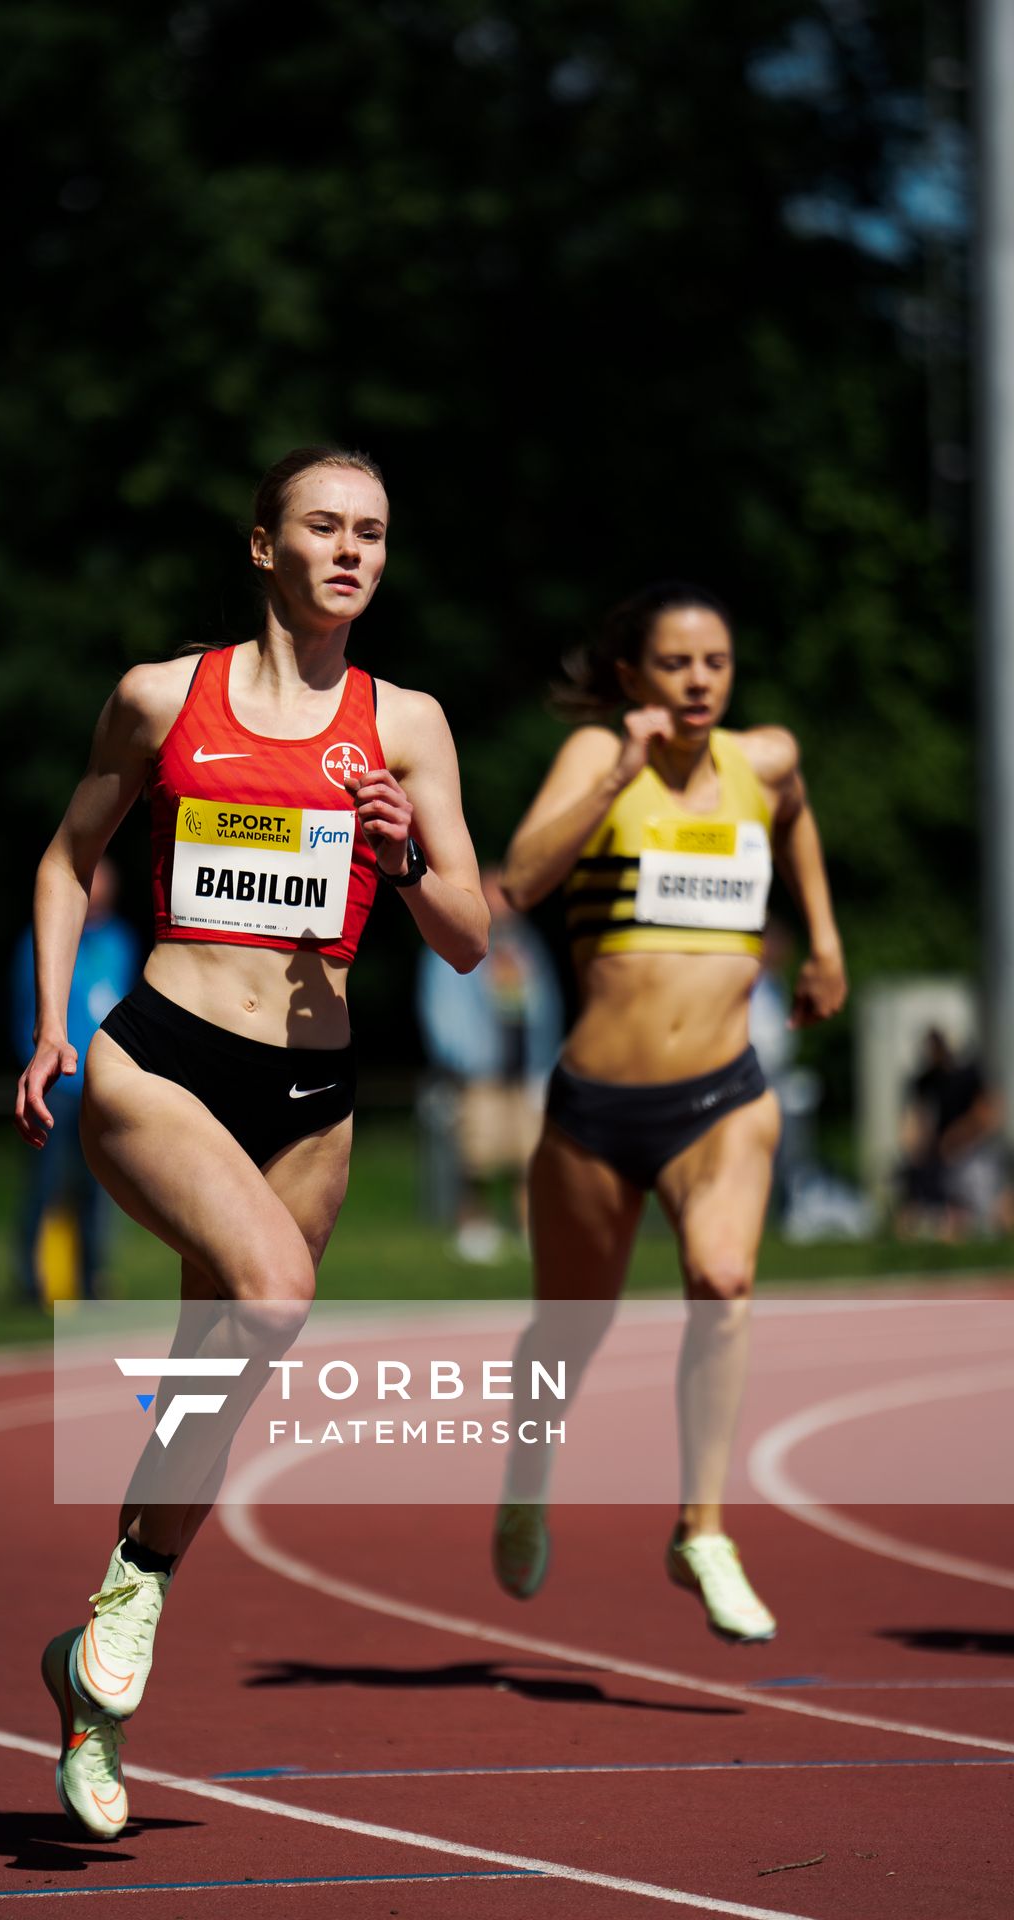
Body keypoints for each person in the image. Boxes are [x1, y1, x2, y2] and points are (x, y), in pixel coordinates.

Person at [14, 446, 487, 1838]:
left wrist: (403, 859)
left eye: (375, 534)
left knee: (212, 1394)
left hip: (311, 1100)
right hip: (158, 1059)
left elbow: (470, 942)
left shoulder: (410, 726)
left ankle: (95, 1685)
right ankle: (133, 1601)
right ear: (264, 545)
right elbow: (64, 857)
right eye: (325, 527)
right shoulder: (165, 697)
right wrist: (51, 1025)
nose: (352, 551)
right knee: (277, 1301)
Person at [494, 580, 846, 1641]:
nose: (698, 680)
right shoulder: (598, 761)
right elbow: (519, 878)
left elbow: (794, 816)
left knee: (723, 1279)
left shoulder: (762, 759)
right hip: (596, 1108)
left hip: (724, 1095)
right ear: (631, 677)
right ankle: (527, 1470)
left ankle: (701, 1528)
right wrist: (615, 766)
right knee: (572, 1327)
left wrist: (822, 938)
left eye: (715, 663)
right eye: (676, 663)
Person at [416, 866, 562, 1260]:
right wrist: (457, 1059)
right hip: (478, 1070)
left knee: (528, 1155)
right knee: (476, 1156)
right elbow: (441, 1008)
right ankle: (474, 1228)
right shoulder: (455, 941)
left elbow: (546, 1004)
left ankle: (529, 1229)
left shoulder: (526, 946)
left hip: (525, 1066)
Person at [11, 856, 139, 1300]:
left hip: (100, 1087)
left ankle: (91, 1281)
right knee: (44, 1187)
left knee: (96, 1190)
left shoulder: (122, 942)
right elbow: (23, 1011)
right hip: (55, 1092)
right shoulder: (41, 941)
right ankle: (29, 1282)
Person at [895, 1027, 1013, 1240]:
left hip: (974, 1149)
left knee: (994, 1206)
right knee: (928, 1203)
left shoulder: (969, 1075)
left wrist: (959, 1135)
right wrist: (915, 1144)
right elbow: (915, 1119)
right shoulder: (925, 1081)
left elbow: (990, 1114)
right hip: (941, 1154)